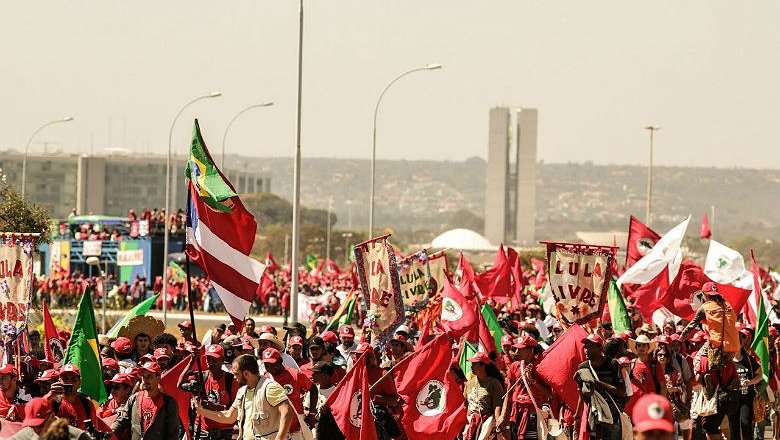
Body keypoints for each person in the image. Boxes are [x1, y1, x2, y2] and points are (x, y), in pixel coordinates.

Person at [194, 353, 294, 440]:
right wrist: (201, 411)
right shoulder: (242, 392)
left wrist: (279, 438)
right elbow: (229, 417)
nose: (234, 377)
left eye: (236, 374)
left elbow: (287, 411)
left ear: (246, 373)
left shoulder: (269, 387)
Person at [111, 361, 182, 440]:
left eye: (149, 377)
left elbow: (173, 434)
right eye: (143, 376)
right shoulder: (134, 399)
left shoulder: (169, 403)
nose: (145, 380)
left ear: (158, 378)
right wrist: (110, 431)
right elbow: (121, 420)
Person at [179, 344, 237, 440]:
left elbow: (235, 409)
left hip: (224, 431)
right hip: (204, 431)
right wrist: (191, 361)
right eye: (208, 359)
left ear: (222, 360)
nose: (210, 362)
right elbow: (180, 385)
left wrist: (216, 407)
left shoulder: (231, 380)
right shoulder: (203, 377)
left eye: (214, 360)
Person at [574, 333, 626, 440]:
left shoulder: (612, 364)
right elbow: (580, 393)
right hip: (594, 418)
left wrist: (597, 383)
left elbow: (621, 392)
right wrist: (577, 416)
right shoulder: (583, 368)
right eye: (586, 346)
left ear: (600, 347)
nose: (587, 350)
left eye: (591, 346)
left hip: (612, 417)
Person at [261, 348, 317, 439]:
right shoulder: (265, 379)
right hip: (275, 430)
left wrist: (312, 413)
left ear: (280, 361)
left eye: (273, 365)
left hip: (296, 429)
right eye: (267, 365)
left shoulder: (295, 374)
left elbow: (313, 389)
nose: (270, 368)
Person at [682, 282, 739, 370]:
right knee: (726, 367)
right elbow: (734, 320)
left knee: (696, 361)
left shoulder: (705, 307)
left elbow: (693, 323)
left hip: (717, 346)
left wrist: (683, 334)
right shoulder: (727, 305)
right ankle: (729, 380)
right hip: (734, 346)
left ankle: (706, 379)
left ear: (705, 294)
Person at [45, 364, 101, 433]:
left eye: (73, 379)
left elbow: (93, 431)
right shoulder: (52, 401)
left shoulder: (87, 404)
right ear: (59, 380)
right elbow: (34, 414)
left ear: (79, 382)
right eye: (65, 379)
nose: (69, 382)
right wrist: (50, 394)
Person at [729, 329, 763, 440]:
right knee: (733, 428)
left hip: (747, 399)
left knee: (746, 424)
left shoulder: (749, 359)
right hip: (732, 400)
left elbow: (760, 375)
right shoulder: (727, 361)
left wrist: (749, 382)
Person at [463, 351, 505, 440]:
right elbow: (465, 404)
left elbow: (497, 405)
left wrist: (498, 423)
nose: (471, 367)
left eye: (475, 364)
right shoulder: (469, 383)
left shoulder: (494, 383)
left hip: (487, 423)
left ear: (483, 366)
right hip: (471, 422)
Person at [9, 397, 90, 440]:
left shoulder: (77, 436)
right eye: (32, 426)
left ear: (52, 416)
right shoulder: (26, 434)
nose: (36, 430)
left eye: (40, 425)